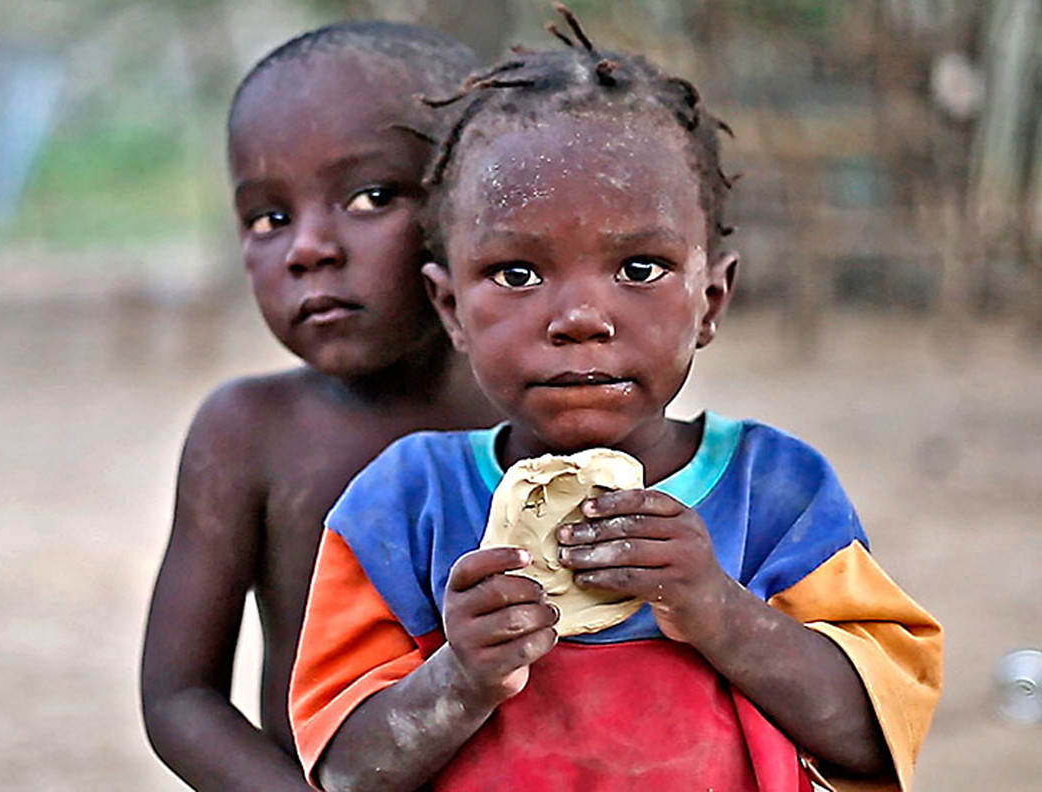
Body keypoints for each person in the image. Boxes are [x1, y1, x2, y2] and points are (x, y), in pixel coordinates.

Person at [288, 8, 942, 792]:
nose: (580, 318)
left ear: (711, 299)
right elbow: (344, 773)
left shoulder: (777, 493)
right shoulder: (404, 507)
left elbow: (877, 733)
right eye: (519, 274)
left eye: (639, 268)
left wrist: (716, 609)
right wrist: (459, 679)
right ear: (450, 308)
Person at [140, 22, 495, 792]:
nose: (307, 247)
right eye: (268, 217)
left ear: (475, 204)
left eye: (370, 197)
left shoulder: (543, 414)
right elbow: (178, 696)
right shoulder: (248, 435)